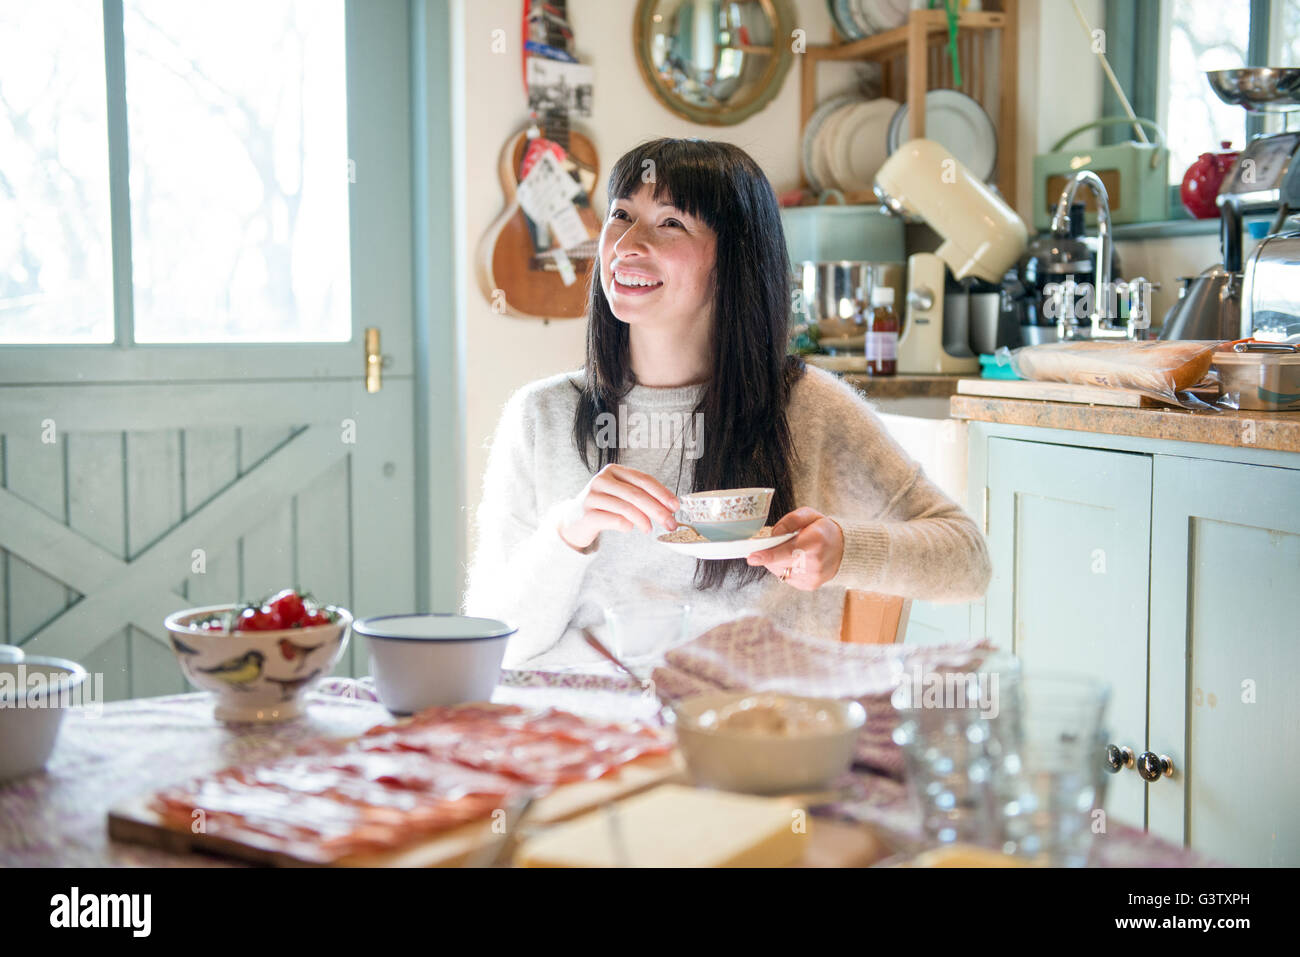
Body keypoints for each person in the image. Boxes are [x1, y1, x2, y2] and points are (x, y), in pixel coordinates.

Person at [463, 138, 991, 669]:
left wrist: (844, 552)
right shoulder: (541, 416)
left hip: (749, 728)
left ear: (734, 259)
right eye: (621, 214)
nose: (627, 243)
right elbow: (494, 642)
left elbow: (969, 560)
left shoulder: (808, 410)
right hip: (583, 726)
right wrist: (568, 531)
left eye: (670, 223)